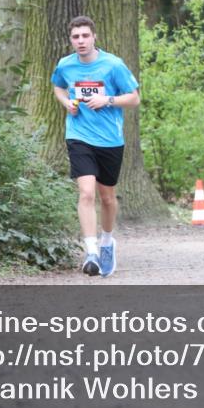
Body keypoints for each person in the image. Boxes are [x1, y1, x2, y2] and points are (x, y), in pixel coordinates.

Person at [51, 16, 140, 278]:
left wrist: (107, 100)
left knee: (107, 198)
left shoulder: (113, 65)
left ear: (94, 37)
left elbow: (134, 98)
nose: (80, 41)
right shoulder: (65, 65)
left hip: (110, 139)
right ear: (71, 40)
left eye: (85, 36)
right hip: (78, 135)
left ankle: (107, 242)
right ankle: (90, 252)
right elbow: (57, 87)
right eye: (76, 37)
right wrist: (66, 102)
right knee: (86, 193)